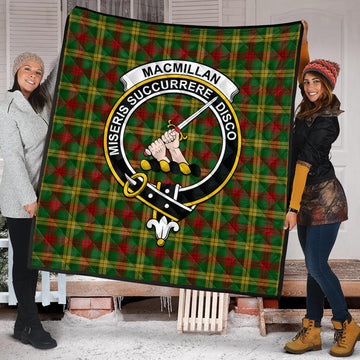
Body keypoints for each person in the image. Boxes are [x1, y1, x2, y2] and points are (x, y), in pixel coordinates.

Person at [283, 21, 360, 357]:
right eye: (307, 82)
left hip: (324, 200)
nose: (311, 86)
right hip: (303, 198)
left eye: (317, 82)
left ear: (328, 86)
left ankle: (346, 324)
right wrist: (302, 37)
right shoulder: (306, 109)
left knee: (315, 265)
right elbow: (305, 66)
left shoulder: (327, 119)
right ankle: (311, 329)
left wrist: (293, 208)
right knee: (314, 268)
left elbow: (304, 162)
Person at [0, 52, 58, 349]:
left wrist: (76, 26)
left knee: (31, 262)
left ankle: (21, 325)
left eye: (38, 71)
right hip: (21, 198)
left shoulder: (41, 102)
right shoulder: (8, 107)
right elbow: (12, 157)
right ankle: (33, 326)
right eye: (27, 69)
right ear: (15, 71)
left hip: (39, 195)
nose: (33, 75)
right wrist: (27, 198)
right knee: (24, 262)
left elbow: (60, 68)